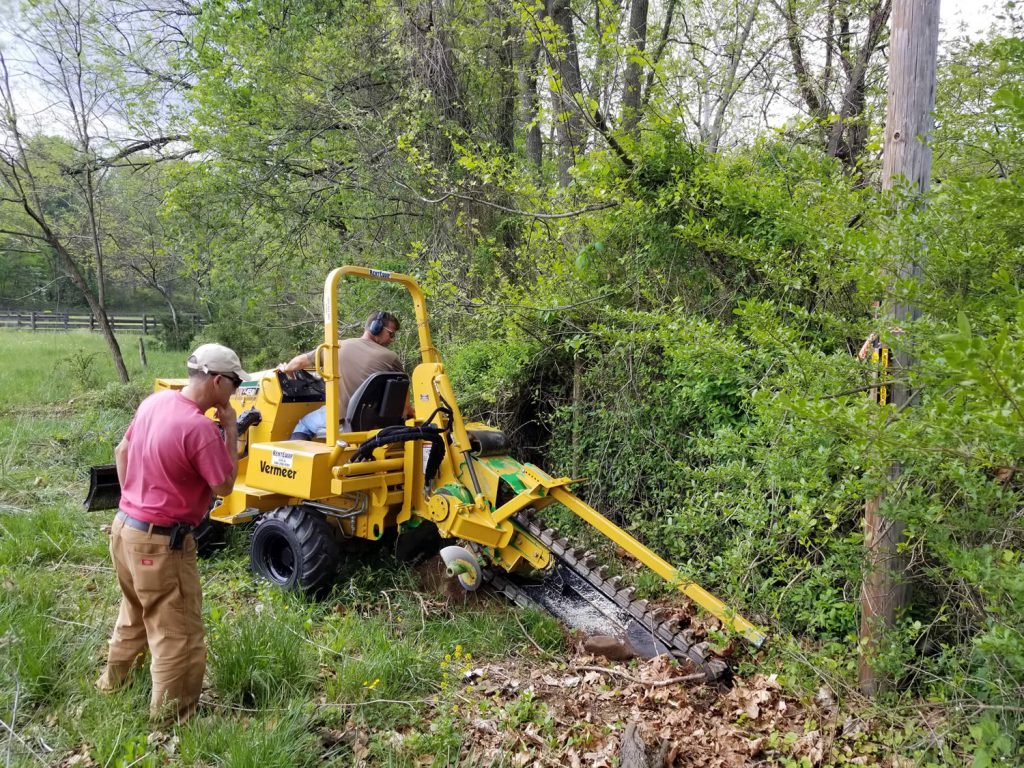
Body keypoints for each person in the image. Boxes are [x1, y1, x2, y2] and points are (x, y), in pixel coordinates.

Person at [96, 343, 246, 724]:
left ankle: (113, 687)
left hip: (125, 529)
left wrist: (136, 495)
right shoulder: (198, 428)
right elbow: (226, 484)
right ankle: (172, 722)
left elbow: (121, 450)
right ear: (216, 381)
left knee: (133, 614)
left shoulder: (154, 403)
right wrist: (230, 429)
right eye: (234, 384)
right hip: (162, 543)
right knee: (177, 633)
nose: (235, 392)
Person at [281, 310, 406, 440]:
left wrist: (288, 370)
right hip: (376, 423)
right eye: (391, 334)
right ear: (376, 328)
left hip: (342, 422)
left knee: (304, 424)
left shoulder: (337, 347)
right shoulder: (391, 358)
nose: (392, 339)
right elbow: (403, 402)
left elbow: (299, 362)